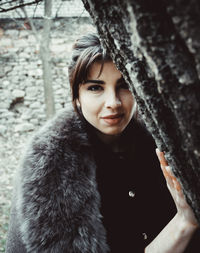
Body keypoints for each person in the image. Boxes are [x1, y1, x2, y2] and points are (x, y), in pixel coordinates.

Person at [6, 33, 199, 253]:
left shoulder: (165, 142)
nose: (113, 103)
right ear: (76, 95)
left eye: (124, 85)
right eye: (95, 88)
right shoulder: (47, 167)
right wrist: (184, 223)